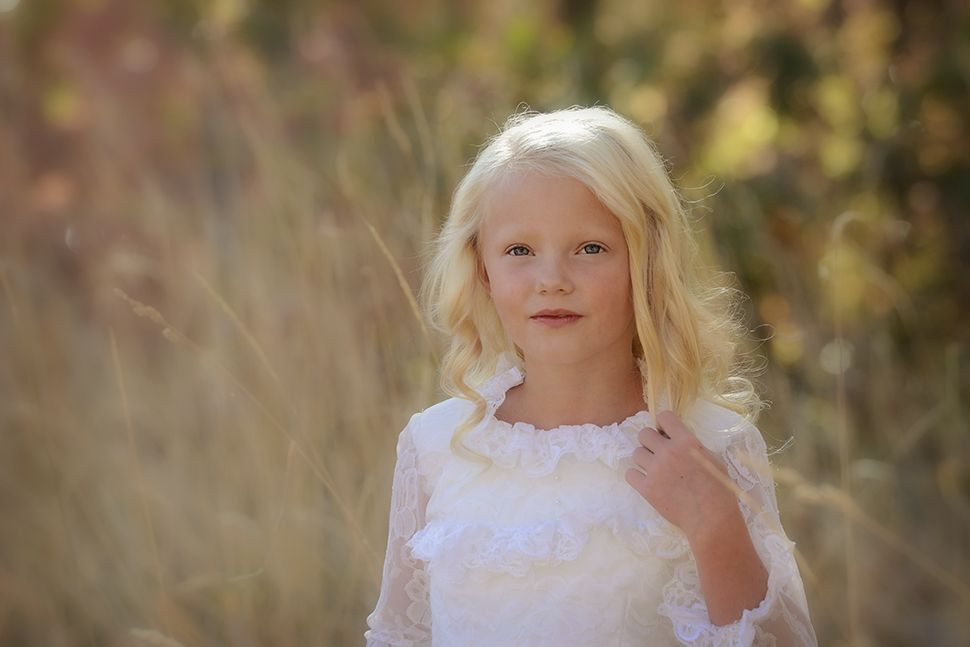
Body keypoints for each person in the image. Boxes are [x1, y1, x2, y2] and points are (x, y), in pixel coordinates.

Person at [363, 105, 818, 646]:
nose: (551, 279)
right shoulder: (435, 445)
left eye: (590, 248)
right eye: (520, 250)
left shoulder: (712, 447)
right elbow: (400, 636)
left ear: (645, 263)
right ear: (482, 269)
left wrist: (715, 527)